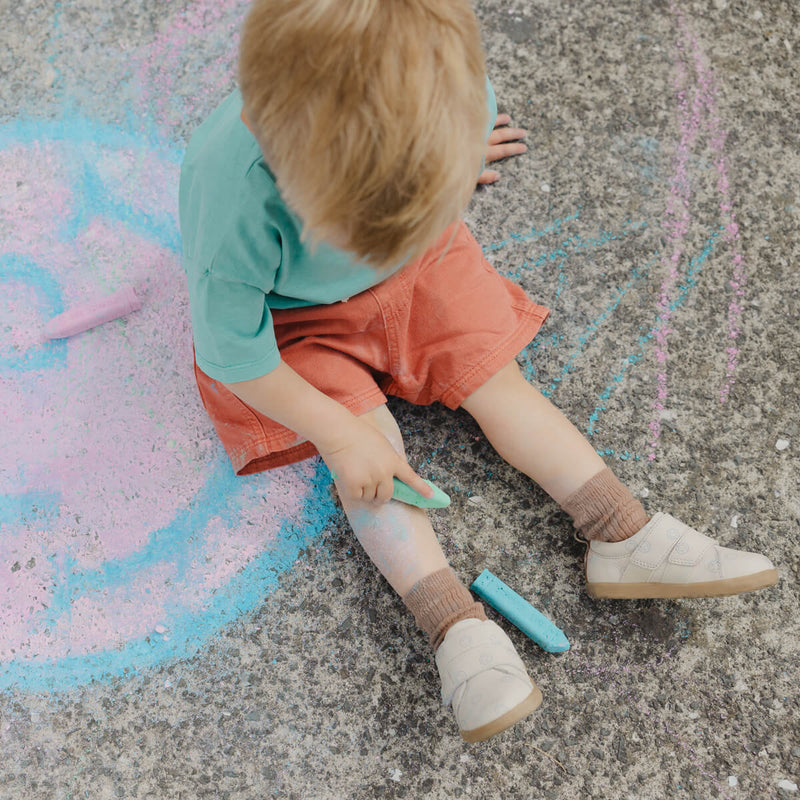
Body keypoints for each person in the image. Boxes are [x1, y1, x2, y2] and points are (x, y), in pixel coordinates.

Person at [179, 0, 778, 743]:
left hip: (424, 263)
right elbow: (233, 353)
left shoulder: (452, 103)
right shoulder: (228, 192)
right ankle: (453, 626)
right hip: (294, 322)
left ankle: (621, 532)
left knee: (497, 380)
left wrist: (450, 163)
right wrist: (336, 434)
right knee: (371, 458)